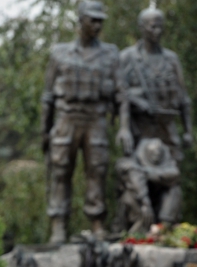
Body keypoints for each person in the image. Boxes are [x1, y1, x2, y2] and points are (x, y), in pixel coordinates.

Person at [40, 0, 132, 243]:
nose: (98, 24)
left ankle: (97, 224)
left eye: (101, 20)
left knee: (97, 171)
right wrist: (44, 131)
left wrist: (123, 128)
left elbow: (122, 95)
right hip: (66, 118)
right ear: (80, 20)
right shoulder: (59, 53)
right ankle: (58, 225)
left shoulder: (111, 54)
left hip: (96, 119)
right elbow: (48, 96)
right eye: (93, 19)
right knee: (60, 172)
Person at [118, 6, 193, 165]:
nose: (158, 31)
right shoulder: (127, 57)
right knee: (138, 175)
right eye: (153, 26)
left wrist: (188, 131)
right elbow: (118, 93)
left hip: (166, 127)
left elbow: (183, 98)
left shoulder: (171, 59)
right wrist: (137, 100)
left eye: (160, 26)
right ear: (141, 28)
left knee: (171, 173)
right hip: (140, 127)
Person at [115, 137, 182, 234]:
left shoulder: (166, 160)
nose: (156, 156)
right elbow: (131, 173)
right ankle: (136, 232)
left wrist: (149, 173)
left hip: (158, 198)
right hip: (140, 200)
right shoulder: (133, 160)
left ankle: (164, 227)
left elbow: (175, 174)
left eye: (158, 154)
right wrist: (145, 201)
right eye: (154, 154)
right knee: (128, 197)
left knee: (174, 191)